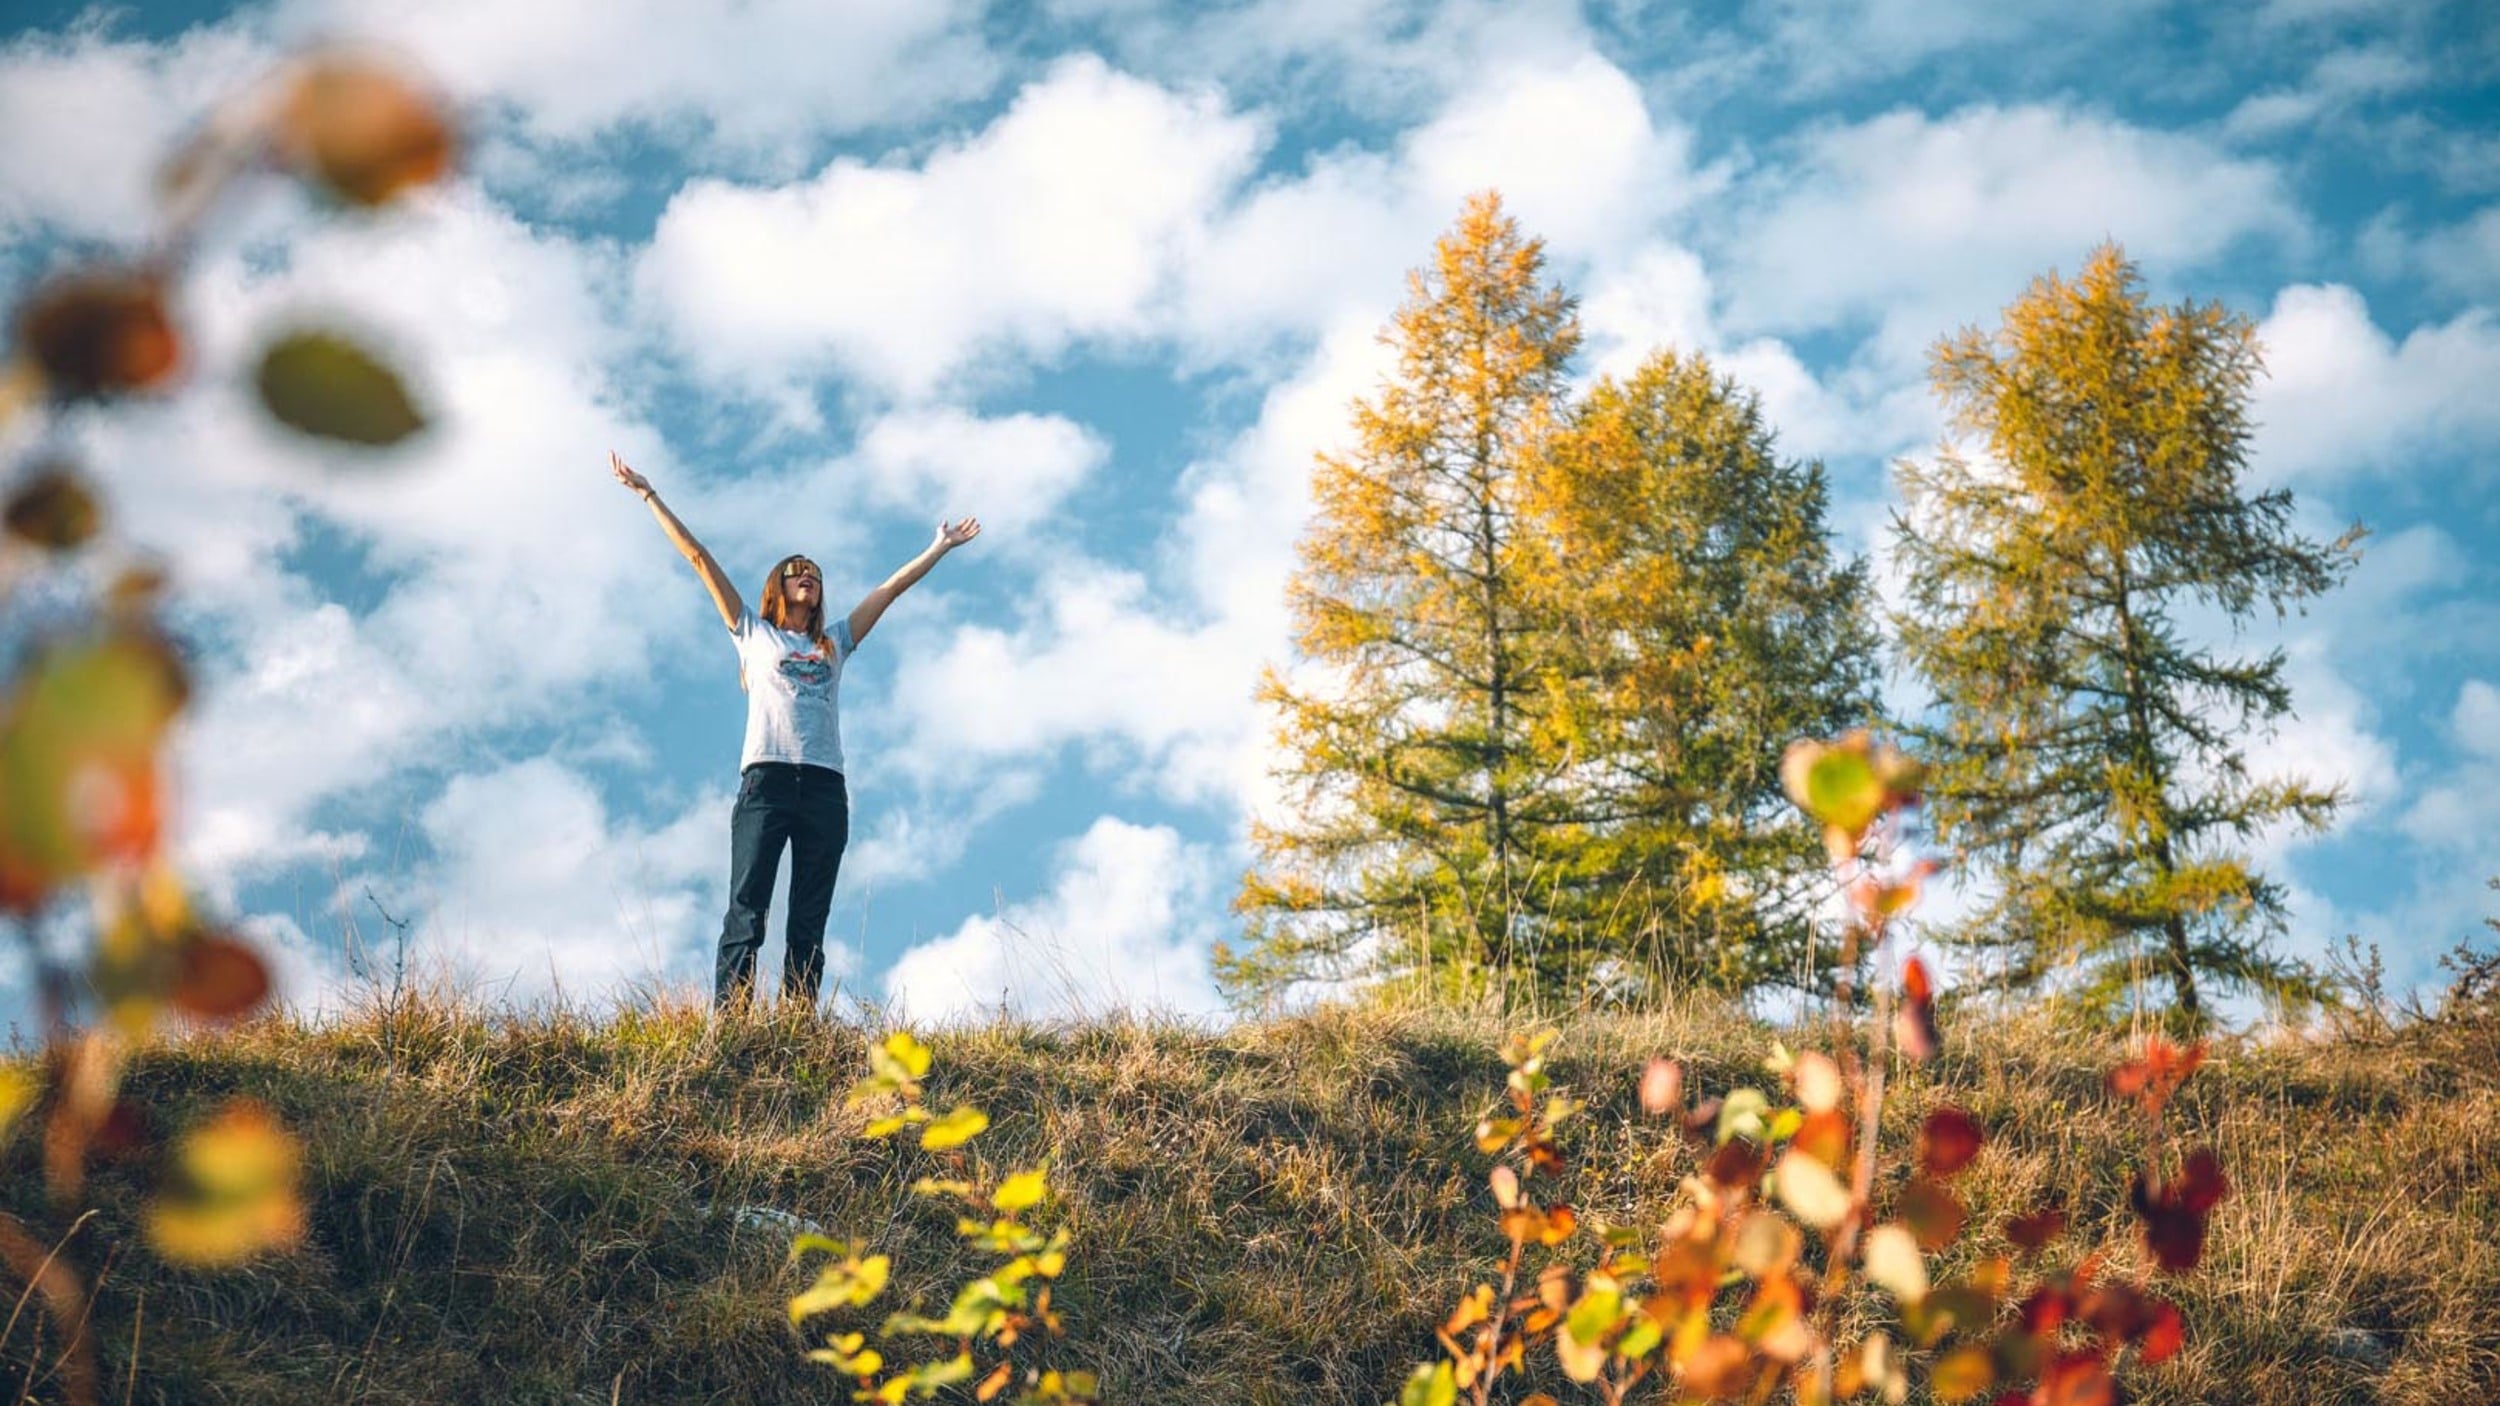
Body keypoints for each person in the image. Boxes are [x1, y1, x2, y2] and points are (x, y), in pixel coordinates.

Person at [609, 450, 979, 1011]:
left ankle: (797, 1027)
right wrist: (647, 493)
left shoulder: (836, 642)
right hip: (768, 781)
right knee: (749, 907)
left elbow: (890, 590)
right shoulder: (753, 634)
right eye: (795, 571)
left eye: (815, 574)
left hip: (826, 789)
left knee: (809, 917)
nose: (807, 576)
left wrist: (939, 546)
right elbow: (698, 558)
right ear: (777, 587)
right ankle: (731, 1023)